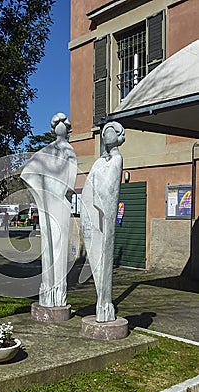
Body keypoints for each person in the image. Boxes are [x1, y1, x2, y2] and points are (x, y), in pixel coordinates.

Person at [21, 113, 77, 307]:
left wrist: (57, 192)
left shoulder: (69, 151)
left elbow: (69, 184)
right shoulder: (46, 151)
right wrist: (42, 192)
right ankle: (47, 291)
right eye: (57, 124)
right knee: (48, 246)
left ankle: (58, 294)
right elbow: (28, 173)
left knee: (59, 246)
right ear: (53, 129)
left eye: (64, 123)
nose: (61, 126)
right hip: (47, 203)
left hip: (59, 203)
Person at [80, 121, 125, 322]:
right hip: (93, 215)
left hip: (104, 217)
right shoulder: (98, 162)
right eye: (104, 132)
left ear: (118, 136)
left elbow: (108, 190)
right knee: (96, 258)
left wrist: (96, 186)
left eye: (110, 132)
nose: (106, 136)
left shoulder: (117, 160)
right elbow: (89, 186)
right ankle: (101, 301)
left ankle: (105, 303)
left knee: (104, 258)